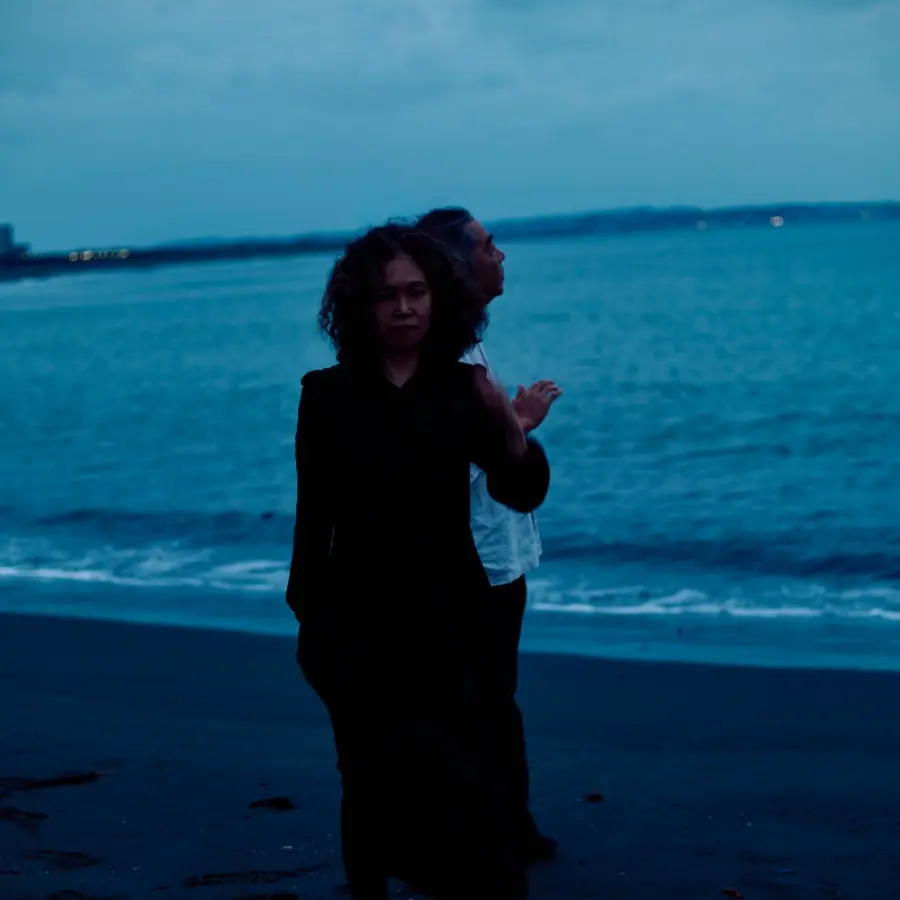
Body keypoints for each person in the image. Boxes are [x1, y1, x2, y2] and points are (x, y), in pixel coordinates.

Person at [286, 223, 552, 900]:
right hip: (361, 626)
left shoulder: (464, 387)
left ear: (438, 298)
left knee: (472, 786)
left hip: (454, 621)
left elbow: (520, 491)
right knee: (368, 783)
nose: (404, 308)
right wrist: (313, 628)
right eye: (386, 295)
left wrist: (508, 426)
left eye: (416, 292)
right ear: (359, 306)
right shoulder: (327, 395)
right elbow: (314, 522)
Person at [416, 207, 561, 863]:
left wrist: (511, 423)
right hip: (475, 555)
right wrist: (518, 425)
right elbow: (448, 453)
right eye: (488, 245)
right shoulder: (445, 351)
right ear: (457, 263)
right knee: (486, 695)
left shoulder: (461, 340)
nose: (500, 255)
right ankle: (500, 832)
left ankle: (494, 824)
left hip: (489, 545)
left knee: (487, 693)